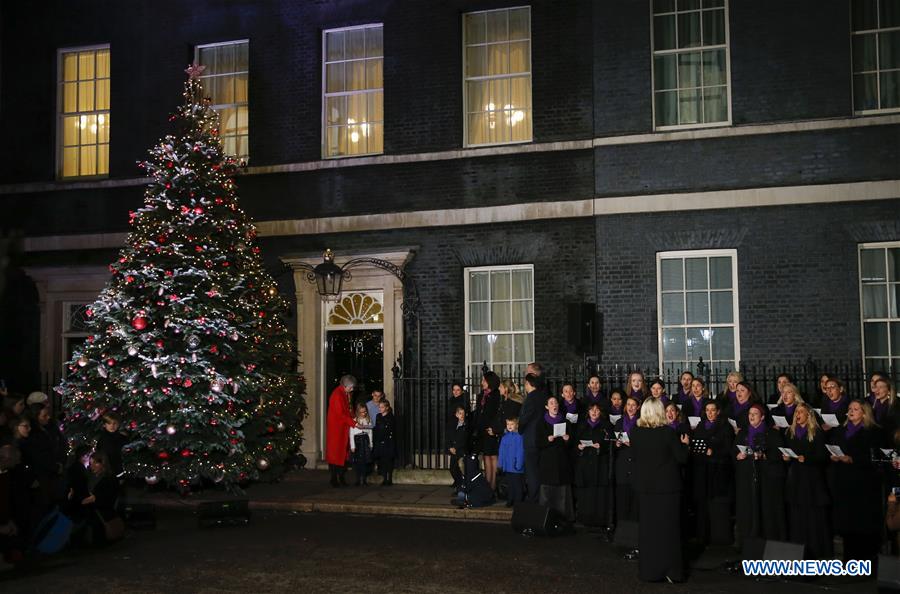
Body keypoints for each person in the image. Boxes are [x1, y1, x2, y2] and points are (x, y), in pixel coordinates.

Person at [631, 398, 690, 583]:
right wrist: (685, 444)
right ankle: (671, 571)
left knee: (648, 531)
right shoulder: (668, 433)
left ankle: (649, 571)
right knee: (669, 531)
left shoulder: (635, 432)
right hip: (667, 488)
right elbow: (682, 458)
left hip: (646, 488)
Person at [828, 400, 881, 565]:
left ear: (864, 413)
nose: (851, 411)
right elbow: (834, 446)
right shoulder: (841, 431)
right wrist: (834, 456)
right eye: (850, 409)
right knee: (847, 522)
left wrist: (853, 459)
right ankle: (849, 558)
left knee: (862, 522)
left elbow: (875, 457)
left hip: (863, 484)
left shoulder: (872, 432)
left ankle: (865, 559)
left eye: (856, 409)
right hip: (844, 482)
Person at [783, 403, 832, 559]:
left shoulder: (816, 432)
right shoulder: (790, 432)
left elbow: (823, 456)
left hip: (811, 479)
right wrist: (786, 457)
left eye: (801, 412)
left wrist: (807, 458)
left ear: (808, 415)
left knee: (813, 516)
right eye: (796, 411)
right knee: (797, 515)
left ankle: (817, 551)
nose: (798, 414)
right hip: (796, 477)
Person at [734, 403, 787, 548]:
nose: (751, 416)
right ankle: (748, 540)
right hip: (747, 476)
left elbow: (778, 453)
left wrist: (763, 455)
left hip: (766, 477)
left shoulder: (771, 433)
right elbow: (734, 452)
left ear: (762, 417)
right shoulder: (743, 433)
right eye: (750, 413)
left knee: (767, 509)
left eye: (755, 414)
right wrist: (738, 455)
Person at [689, 400, 734, 545]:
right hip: (703, 470)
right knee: (702, 504)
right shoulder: (702, 425)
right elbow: (696, 444)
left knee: (716, 504)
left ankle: (718, 537)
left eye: (712, 410)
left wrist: (713, 452)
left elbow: (728, 449)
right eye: (707, 410)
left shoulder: (725, 426)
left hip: (718, 470)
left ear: (718, 411)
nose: (709, 413)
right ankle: (702, 536)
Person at [573, 402, 614, 528]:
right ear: (588, 412)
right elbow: (574, 442)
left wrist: (601, 447)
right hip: (585, 463)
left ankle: (599, 519)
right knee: (586, 492)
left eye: (597, 410)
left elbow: (610, 443)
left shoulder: (606, 426)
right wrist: (578, 447)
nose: (594, 412)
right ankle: (585, 518)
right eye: (592, 410)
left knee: (599, 492)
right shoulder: (582, 425)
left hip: (599, 463)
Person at [536, 396, 574, 523]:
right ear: (547, 407)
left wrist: (567, 439)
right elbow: (537, 443)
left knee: (562, 494)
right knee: (547, 493)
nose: (554, 405)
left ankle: (563, 519)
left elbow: (571, 444)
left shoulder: (565, 422)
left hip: (562, 461)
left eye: (556, 403)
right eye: (551, 403)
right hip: (547, 462)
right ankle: (546, 519)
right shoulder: (541, 422)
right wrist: (547, 440)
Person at [614, 395, 641, 554]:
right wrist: (617, 443)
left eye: (633, 405)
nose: (630, 407)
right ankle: (622, 532)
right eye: (628, 405)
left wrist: (634, 443)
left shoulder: (640, 422)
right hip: (623, 462)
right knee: (623, 497)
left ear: (638, 407)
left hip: (636, 462)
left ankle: (634, 533)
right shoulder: (619, 422)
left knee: (634, 498)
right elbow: (615, 440)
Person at [81, 451, 122, 545]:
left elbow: (104, 498)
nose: (92, 466)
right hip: (94, 508)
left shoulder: (108, 479)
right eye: (91, 464)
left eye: (95, 463)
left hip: (101, 510)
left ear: (102, 463)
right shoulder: (92, 477)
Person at [325, 375, 359, 487]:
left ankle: (339, 477)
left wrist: (354, 419)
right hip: (337, 428)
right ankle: (335, 478)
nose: (352, 389)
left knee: (341, 454)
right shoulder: (337, 395)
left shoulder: (344, 393)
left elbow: (348, 410)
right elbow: (341, 414)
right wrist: (354, 423)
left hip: (342, 427)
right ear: (345, 386)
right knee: (336, 454)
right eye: (351, 387)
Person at [518, 373, 547, 504]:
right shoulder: (543, 396)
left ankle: (533, 498)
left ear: (529, 384)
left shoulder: (530, 398)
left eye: (525, 383)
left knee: (532, 471)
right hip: (542, 437)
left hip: (531, 438)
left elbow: (525, 417)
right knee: (540, 469)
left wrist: (520, 427)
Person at [473, 371, 502, 492]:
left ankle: (493, 484)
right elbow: (479, 413)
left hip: (491, 430)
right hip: (482, 430)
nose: (481, 383)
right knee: (486, 456)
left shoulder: (496, 395)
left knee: (492, 456)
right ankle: (487, 484)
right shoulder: (481, 396)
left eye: (484, 380)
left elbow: (496, 414)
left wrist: (493, 428)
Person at [498, 417, 525, 507]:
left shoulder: (519, 437)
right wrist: (500, 464)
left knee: (517, 485)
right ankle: (510, 499)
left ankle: (518, 502)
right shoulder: (505, 437)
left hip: (516, 466)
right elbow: (501, 451)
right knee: (510, 485)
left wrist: (518, 464)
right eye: (508, 424)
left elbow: (520, 452)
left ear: (516, 425)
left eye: (512, 424)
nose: (509, 426)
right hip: (507, 466)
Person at [96, 412, 128, 479]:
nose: (112, 426)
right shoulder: (102, 439)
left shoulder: (123, 438)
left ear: (118, 424)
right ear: (104, 425)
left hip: (121, 471)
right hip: (107, 473)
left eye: (114, 423)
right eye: (109, 423)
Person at [373, 400, 397, 486]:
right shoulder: (378, 416)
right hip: (380, 441)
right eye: (379, 407)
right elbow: (377, 429)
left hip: (388, 442)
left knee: (388, 461)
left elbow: (391, 430)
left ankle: (389, 479)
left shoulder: (391, 417)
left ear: (387, 408)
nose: (380, 409)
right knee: (382, 461)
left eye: (382, 407)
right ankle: (384, 478)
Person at [349, 403, 374, 486]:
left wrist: (371, 443)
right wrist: (352, 446)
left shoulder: (368, 420)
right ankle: (358, 479)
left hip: (365, 441)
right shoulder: (355, 420)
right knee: (357, 462)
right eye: (362, 412)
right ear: (358, 412)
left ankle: (364, 479)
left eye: (365, 412)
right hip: (357, 441)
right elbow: (351, 434)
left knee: (364, 461)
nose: (364, 414)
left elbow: (370, 433)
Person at [446, 406, 469, 491]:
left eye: (463, 413)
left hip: (461, 450)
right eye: (460, 413)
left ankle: (460, 485)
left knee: (459, 468)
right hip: (453, 450)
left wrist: (456, 448)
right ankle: (457, 482)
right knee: (452, 468)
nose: (462, 415)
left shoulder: (466, 425)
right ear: (456, 415)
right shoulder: (452, 424)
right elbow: (448, 436)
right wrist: (450, 447)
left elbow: (465, 439)